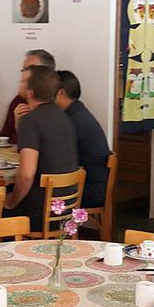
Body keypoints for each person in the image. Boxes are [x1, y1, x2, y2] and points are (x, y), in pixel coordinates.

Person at [5, 65, 78, 232]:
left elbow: (26, 174)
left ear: (30, 92)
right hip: (67, 206)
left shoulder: (31, 120)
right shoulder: (64, 117)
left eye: (23, 81)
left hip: (42, 211)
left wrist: (11, 201)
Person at [55, 70, 110, 208]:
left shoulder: (72, 121)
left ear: (61, 93)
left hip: (89, 191)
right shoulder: (78, 113)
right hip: (95, 184)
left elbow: (57, 159)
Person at [0, 49, 55, 144]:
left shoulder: (53, 105)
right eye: (23, 70)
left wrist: (21, 126)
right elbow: (3, 138)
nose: (24, 75)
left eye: (31, 70)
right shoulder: (19, 100)